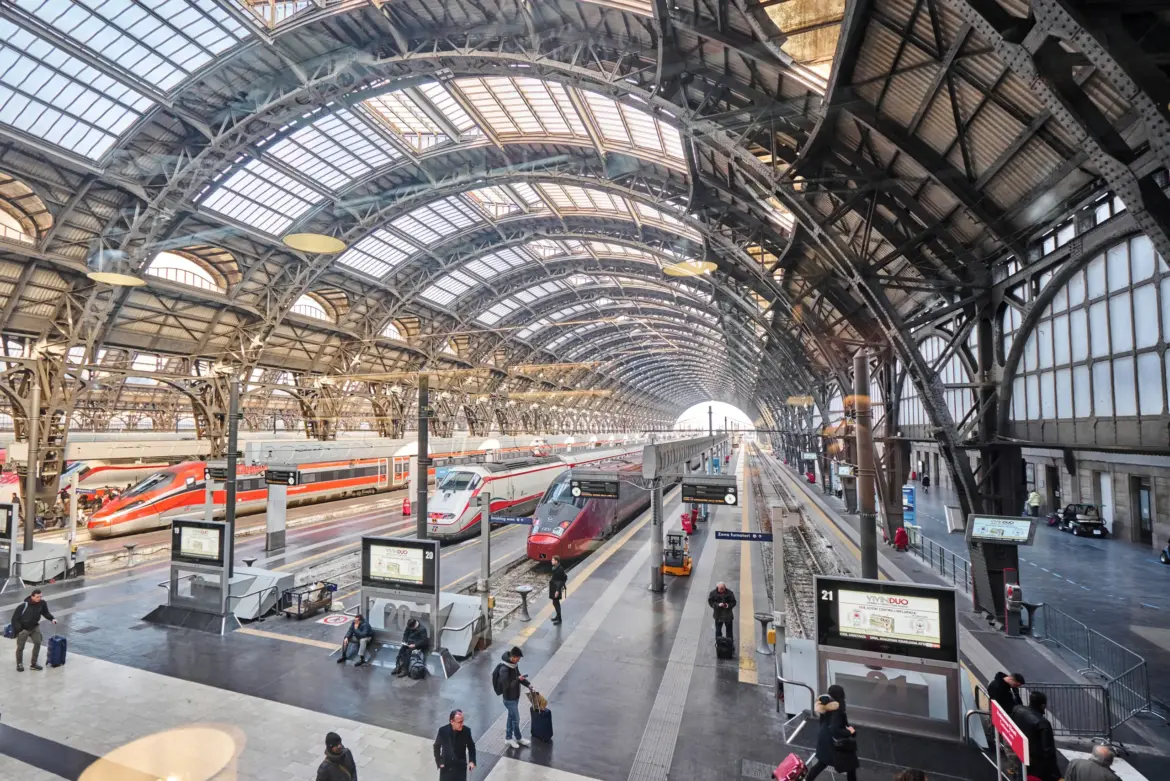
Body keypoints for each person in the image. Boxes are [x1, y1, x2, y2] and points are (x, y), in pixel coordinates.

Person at [806, 685, 859, 781]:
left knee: (821, 763)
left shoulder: (826, 704)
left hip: (825, 740)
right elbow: (835, 730)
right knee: (851, 765)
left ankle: (808, 779)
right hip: (833, 744)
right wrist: (849, 732)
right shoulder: (837, 710)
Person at [1013, 691, 1060, 781]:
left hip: (1021, 753)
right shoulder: (1043, 723)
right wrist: (1054, 771)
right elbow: (1047, 749)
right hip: (1037, 763)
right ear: (1042, 705)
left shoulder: (1018, 710)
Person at [493, 646, 532, 749]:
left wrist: (528, 684)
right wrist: (518, 680)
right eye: (518, 658)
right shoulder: (504, 669)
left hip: (515, 697)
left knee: (511, 717)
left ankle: (508, 738)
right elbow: (507, 686)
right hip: (509, 699)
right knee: (516, 719)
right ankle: (518, 738)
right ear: (513, 657)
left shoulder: (514, 665)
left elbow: (518, 676)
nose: (518, 660)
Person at [13, 588, 56, 672]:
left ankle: (34, 664)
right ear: (32, 596)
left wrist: (52, 619)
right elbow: (14, 619)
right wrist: (19, 629)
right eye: (37, 597)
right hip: (24, 629)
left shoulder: (42, 603)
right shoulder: (23, 606)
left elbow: (45, 613)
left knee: (38, 643)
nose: (39, 598)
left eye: (40, 596)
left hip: (35, 628)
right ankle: (19, 664)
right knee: (20, 647)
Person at [433, 709, 476, 781]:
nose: (462, 724)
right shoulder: (443, 731)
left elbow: (471, 746)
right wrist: (439, 762)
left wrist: (472, 761)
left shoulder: (466, 731)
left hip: (460, 769)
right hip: (446, 768)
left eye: (463, 721)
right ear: (452, 722)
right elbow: (436, 746)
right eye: (460, 722)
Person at [549, 556, 567, 625]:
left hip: (557, 588)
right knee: (555, 602)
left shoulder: (560, 569)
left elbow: (560, 581)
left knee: (556, 603)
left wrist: (557, 591)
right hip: (554, 587)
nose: (551, 561)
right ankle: (557, 616)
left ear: (556, 561)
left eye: (553, 560)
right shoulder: (555, 567)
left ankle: (559, 619)